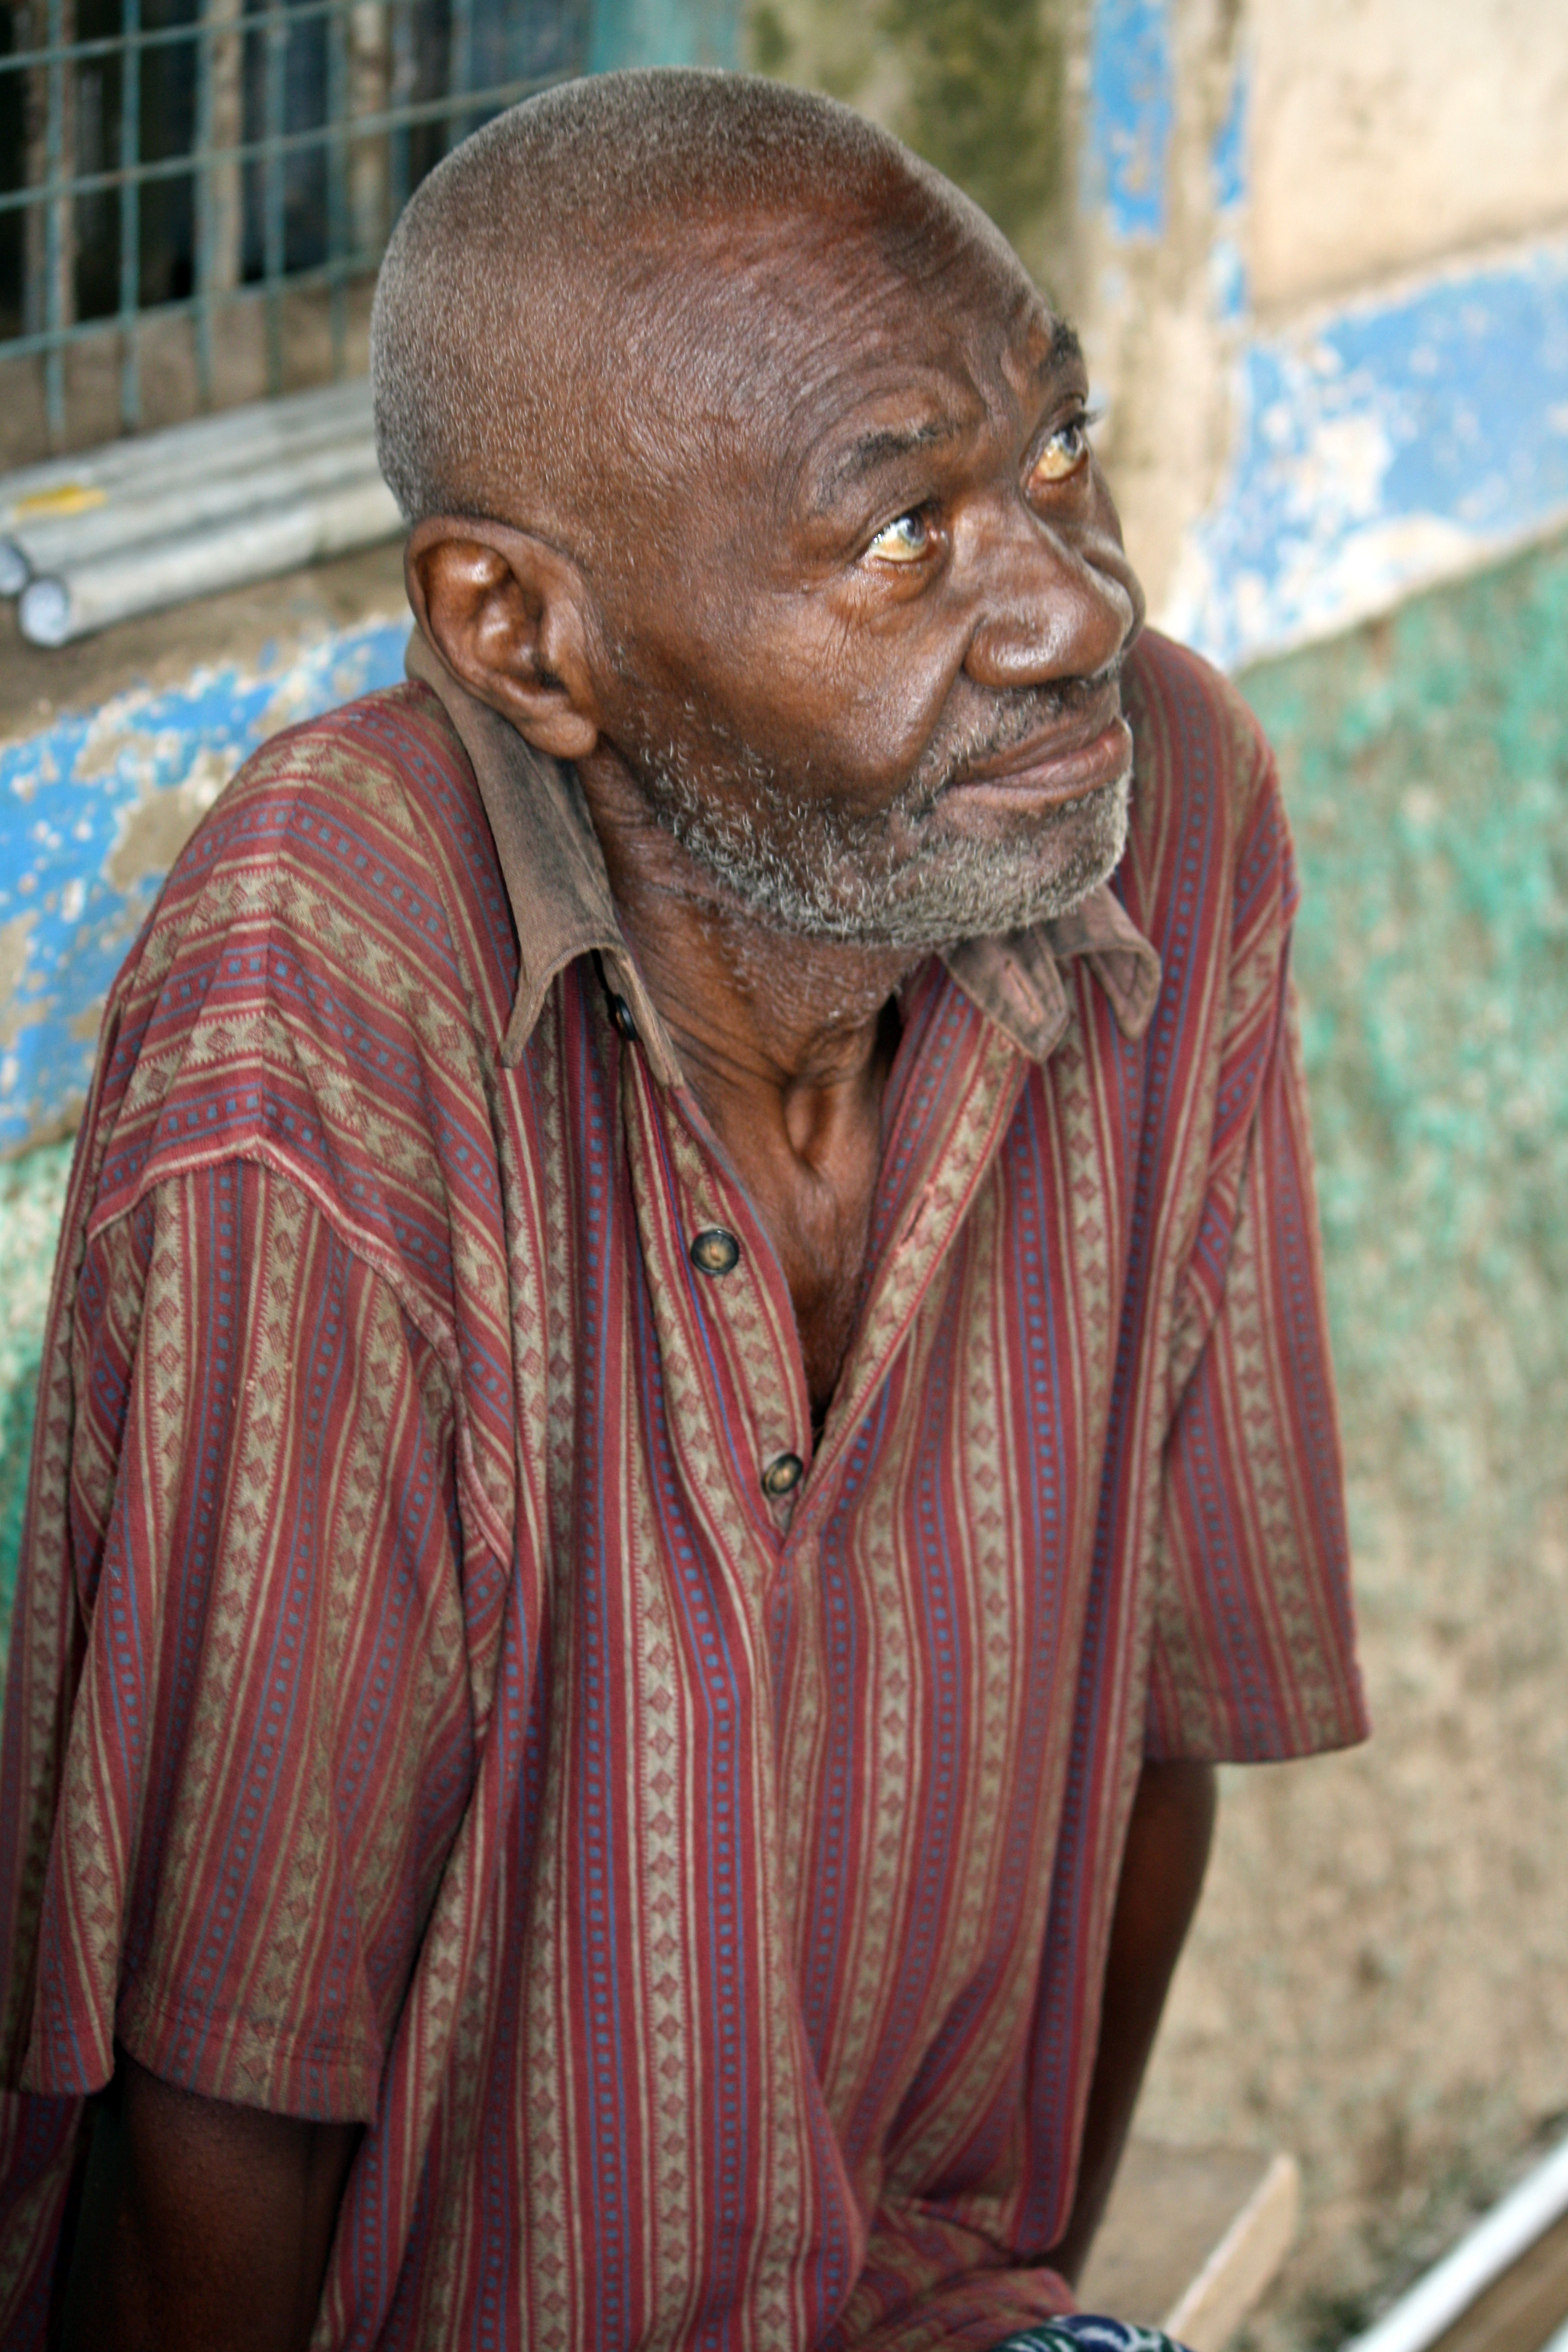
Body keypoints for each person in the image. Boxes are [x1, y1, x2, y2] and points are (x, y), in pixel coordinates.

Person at [0, 68, 1365, 2352]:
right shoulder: (333, 989)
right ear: (527, 640)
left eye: (1054, 452)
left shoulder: (1171, 815)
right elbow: (224, 2082)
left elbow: (1157, 1737)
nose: (1074, 601)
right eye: (903, 537)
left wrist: (1015, 2309)